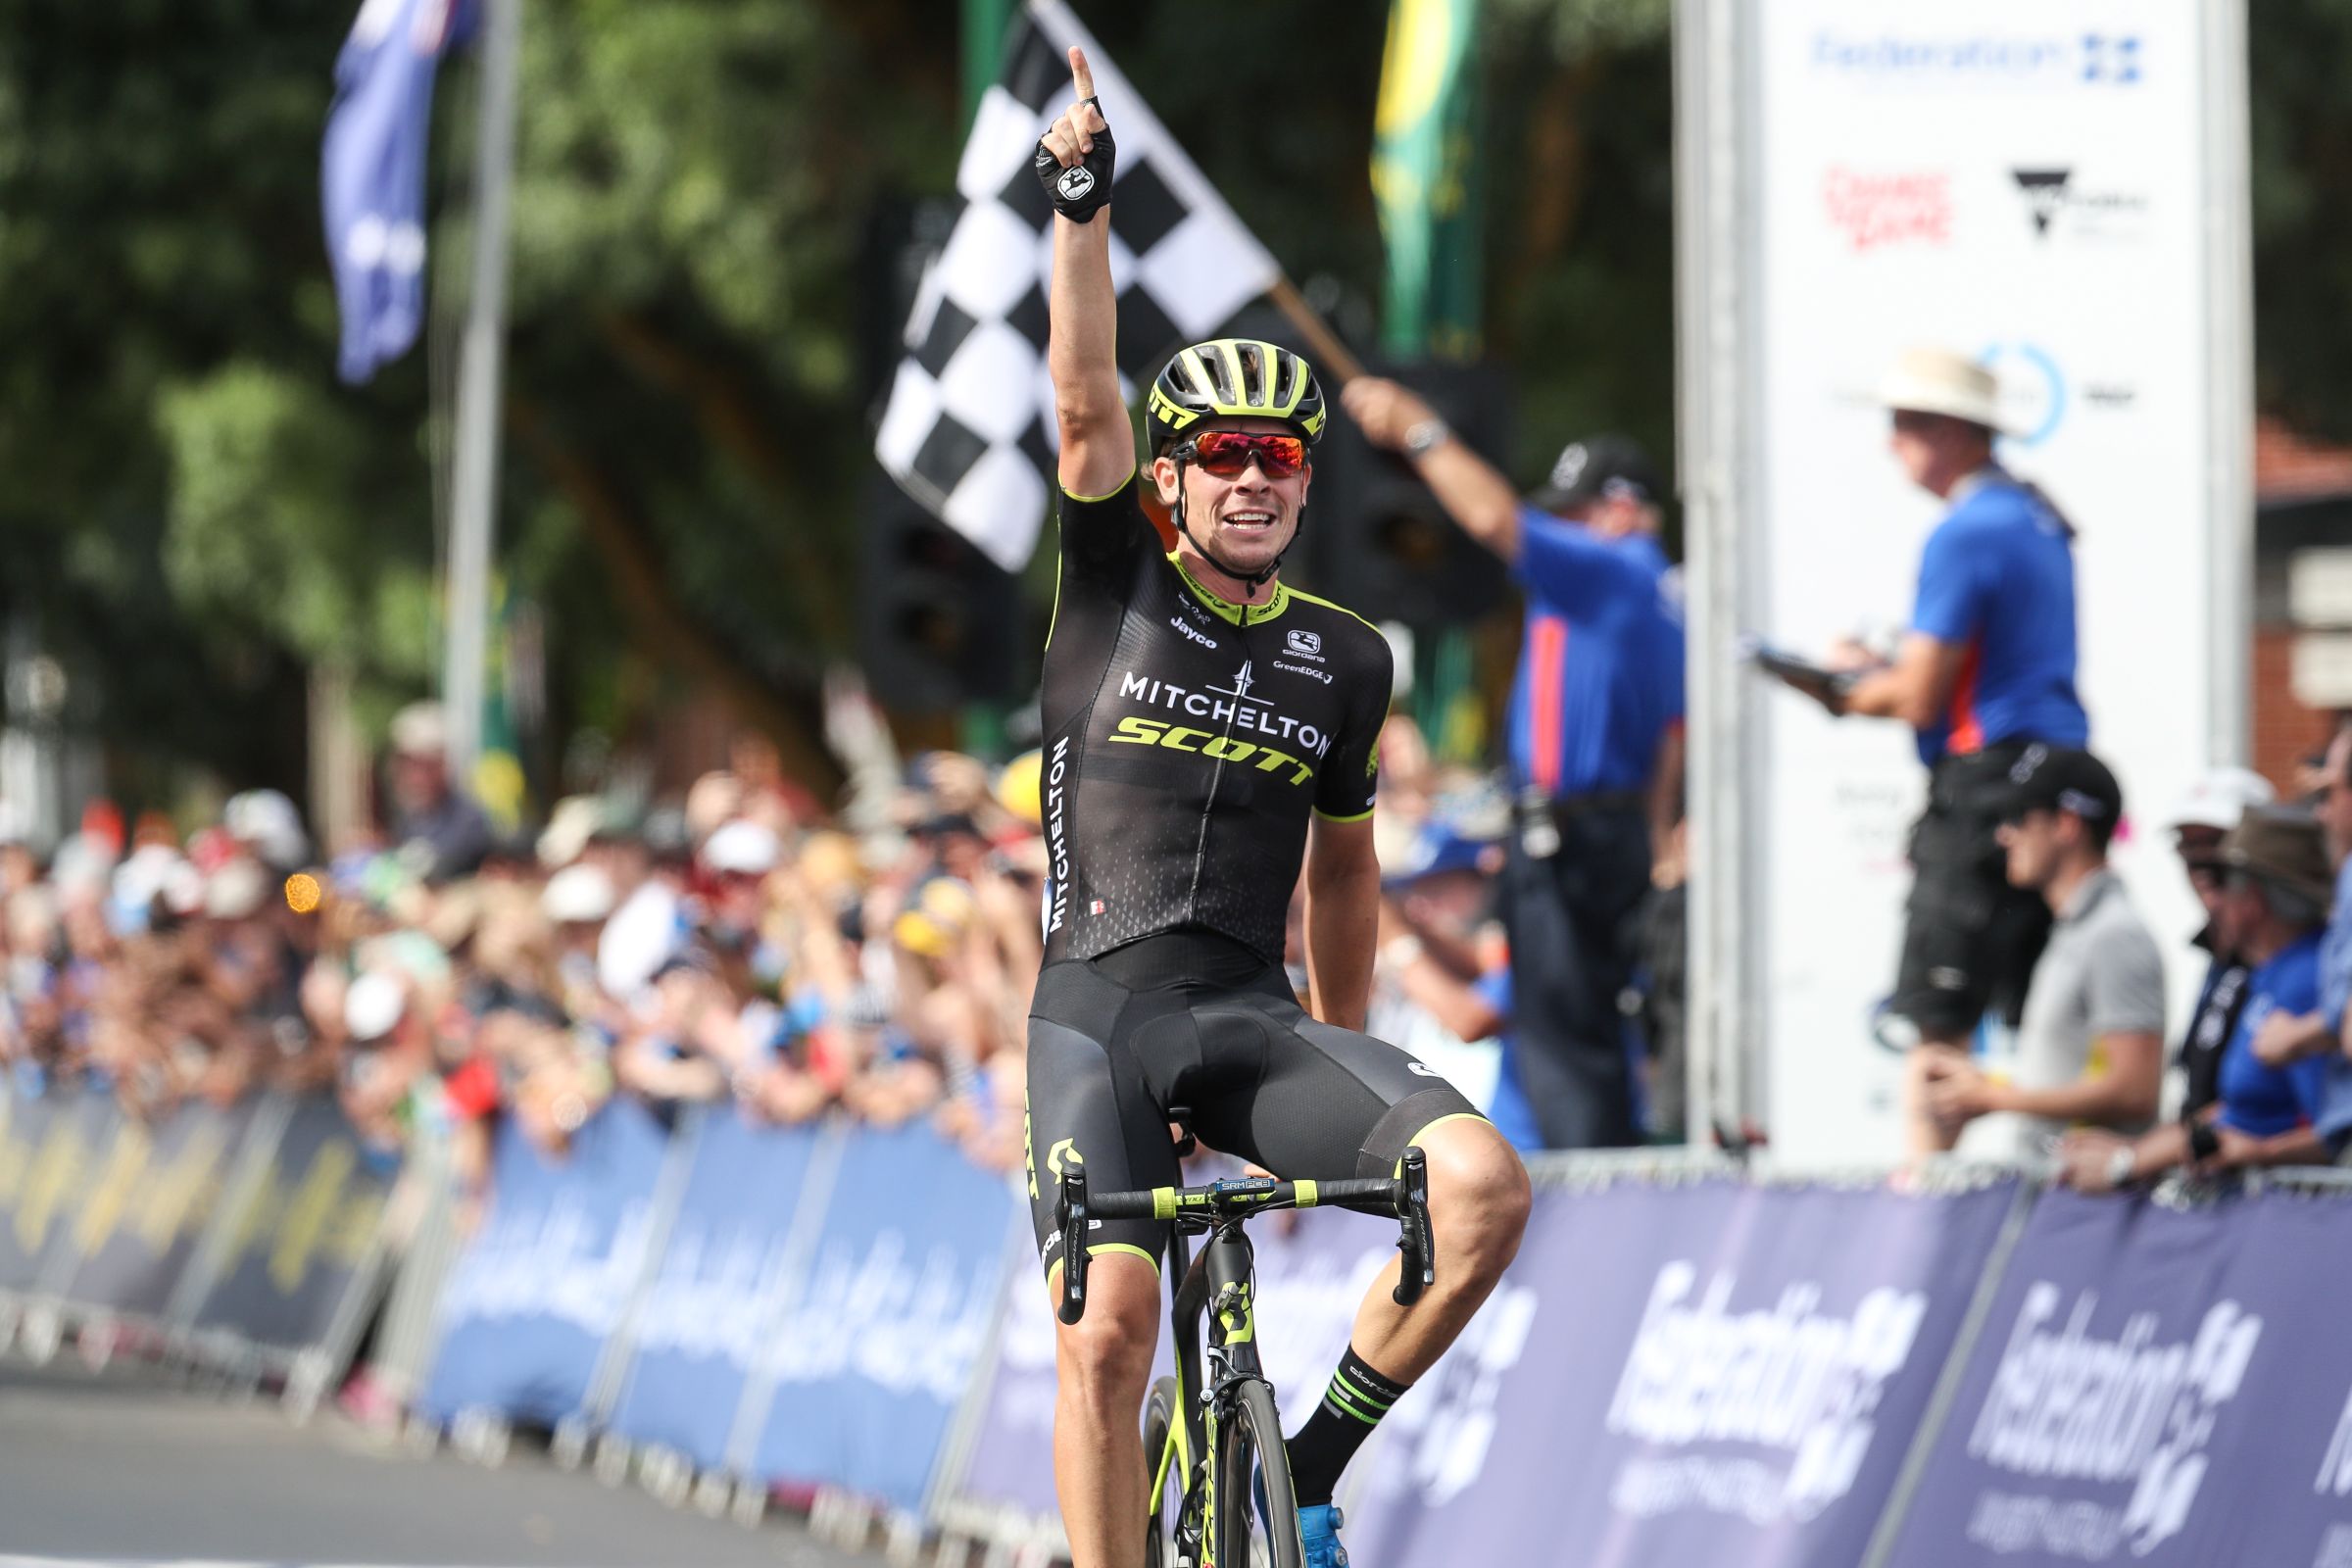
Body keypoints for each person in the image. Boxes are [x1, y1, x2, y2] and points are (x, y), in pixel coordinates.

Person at [1031, 50, 1530, 1568]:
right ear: (1172, 486)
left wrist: (1364, 1056)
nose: (1256, 476)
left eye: (1283, 459)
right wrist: (1080, 204)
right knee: (1111, 1334)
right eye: (1224, 457)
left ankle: (1306, 1465)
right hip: (1099, 1015)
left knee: (1486, 1189)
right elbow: (1079, 388)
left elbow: (1350, 879)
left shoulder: (1347, 656)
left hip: (1255, 1016)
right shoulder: (1112, 584)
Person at [1340, 384, 1683, 1151]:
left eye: (1573, 514)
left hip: (1574, 836)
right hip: (1606, 832)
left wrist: (1419, 430)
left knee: (1563, 1045)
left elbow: (1495, 520)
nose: (1557, 534)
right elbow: (1674, 738)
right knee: (1583, 1032)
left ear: (1619, 509)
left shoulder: (1617, 570)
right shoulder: (1659, 594)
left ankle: (1585, 1210)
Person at [1766, 347, 2087, 1155]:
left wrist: (1834, 688)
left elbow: (1918, 695)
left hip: (1986, 787)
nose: (1894, 442)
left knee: (1939, 1024)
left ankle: (1925, 1236)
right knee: (2037, 1014)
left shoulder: (1967, 530)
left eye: (1909, 425)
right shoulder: (2034, 515)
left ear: (1956, 434)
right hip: (2052, 781)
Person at [2059, 806, 2344, 1188]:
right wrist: (2137, 1151)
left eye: (2220, 880)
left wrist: (2128, 1164)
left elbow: (2336, 1126)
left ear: (2255, 899)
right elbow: (2242, 1113)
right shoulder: (2273, 974)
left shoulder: (2303, 979)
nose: (2210, 898)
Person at [1919, 747, 2164, 1159]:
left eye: (2017, 817)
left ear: (2067, 825)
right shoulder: (2078, 927)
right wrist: (1987, 1087)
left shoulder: (2114, 934)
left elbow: (2135, 1092)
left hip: (2092, 1207)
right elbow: (2070, 1073)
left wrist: (1995, 1099)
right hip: (2064, 1197)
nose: (2003, 835)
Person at [2160, 767, 2275, 1119]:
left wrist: (2134, 1157)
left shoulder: (2281, 953)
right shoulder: (2218, 951)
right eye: (2188, 844)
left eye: (2216, 841)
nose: (2200, 860)